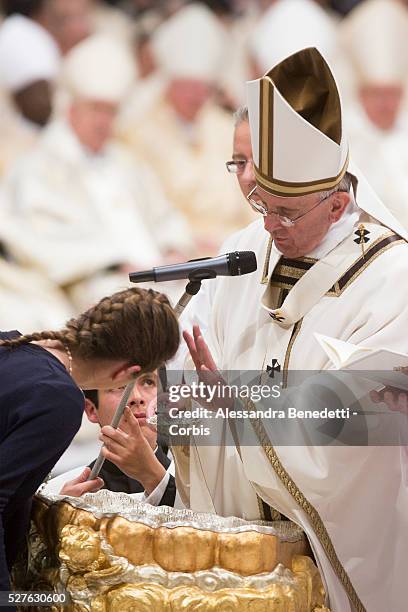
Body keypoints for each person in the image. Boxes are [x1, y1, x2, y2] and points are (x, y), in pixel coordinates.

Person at [171, 48, 408, 611]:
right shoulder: (243, 250)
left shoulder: (393, 281)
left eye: (287, 213)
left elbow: (368, 430)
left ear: (338, 202)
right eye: (262, 207)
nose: (270, 226)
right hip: (234, 536)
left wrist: (243, 407)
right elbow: (189, 380)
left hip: (330, 552)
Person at [0, 286, 179, 606]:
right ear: (125, 372)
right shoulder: (57, 397)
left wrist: (43, 512)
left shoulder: (13, 346)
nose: (136, 396)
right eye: (125, 386)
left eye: (150, 384)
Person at [0, 33, 191, 311]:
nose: (104, 121)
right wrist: (112, 261)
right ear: (71, 109)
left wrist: (174, 248)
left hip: (162, 277)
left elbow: (164, 216)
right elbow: (35, 239)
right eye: (96, 109)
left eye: (111, 111)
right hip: (96, 284)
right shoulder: (38, 166)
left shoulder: (126, 161)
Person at [118, 2, 252, 255]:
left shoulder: (227, 128)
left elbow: (250, 193)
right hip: (178, 249)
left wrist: (252, 236)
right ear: (169, 83)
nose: (197, 96)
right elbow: (143, 206)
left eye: (205, 87)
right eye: (188, 87)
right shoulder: (138, 133)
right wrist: (185, 240)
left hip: (237, 243)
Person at [44, 374, 178, 508]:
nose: (137, 398)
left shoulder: (195, 486)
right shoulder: (55, 495)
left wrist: (154, 478)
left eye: (148, 382)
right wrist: (59, 518)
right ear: (91, 410)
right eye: (118, 386)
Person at [340, 0, 408, 231]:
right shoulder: (341, 138)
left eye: (394, 94)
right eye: (378, 94)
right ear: (360, 93)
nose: (387, 104)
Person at [0, 11, 60, 175]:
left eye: (44, 89)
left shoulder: (62, 140)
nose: (41, 100)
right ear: (14, 95)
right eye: (31, 90)